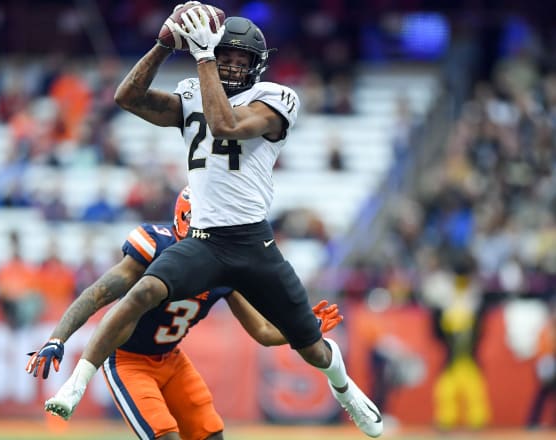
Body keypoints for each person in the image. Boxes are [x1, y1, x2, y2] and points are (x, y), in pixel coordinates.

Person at [44, 4, 383, 437]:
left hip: (253, 243)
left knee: (314, 349)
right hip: (204, 241)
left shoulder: (277, 99)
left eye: (242, 60)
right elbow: (126, 98)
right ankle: (77, 382)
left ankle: (345, 390)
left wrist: (204, 56)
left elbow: (225, 125)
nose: (233, 66)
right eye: (227, 57)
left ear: (257, 66)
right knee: (144, 289)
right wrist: (162, 47)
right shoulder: (191, 93)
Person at [27, 186, 343, 439]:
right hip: (127, 361)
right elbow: (97, 293)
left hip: (171, 359)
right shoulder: (155, 246)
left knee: (210, 435)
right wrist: (59, 337)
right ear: (187, 220)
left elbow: (262, 331)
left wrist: (305, 329)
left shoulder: (227, 263)